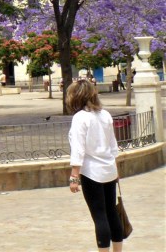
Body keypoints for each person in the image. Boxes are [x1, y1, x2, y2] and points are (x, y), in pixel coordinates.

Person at [66, 79, 123, 252]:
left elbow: (78, 149)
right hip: (109, 170)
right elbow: (113, 145)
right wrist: (116, 170)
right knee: (112, 213)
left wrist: (74, 176)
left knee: (99, 216)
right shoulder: (104, 114)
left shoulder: (80, 118)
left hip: (91, 173)